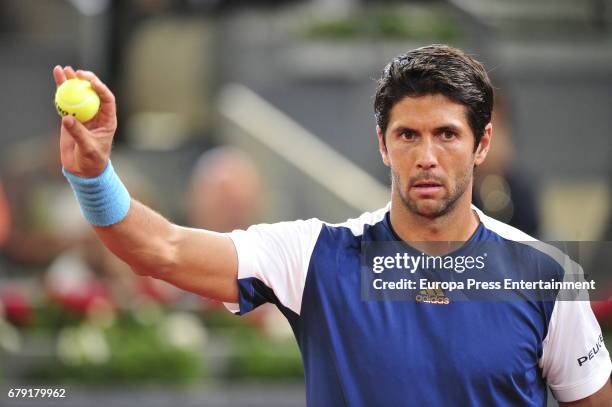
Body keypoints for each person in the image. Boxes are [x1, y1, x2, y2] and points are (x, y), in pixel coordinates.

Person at [53, 45, 611, 406]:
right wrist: (94, 175)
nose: (427, 157)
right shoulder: (312, 255)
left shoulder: (548, 275)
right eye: (407, 135)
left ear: (481, 144)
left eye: (447, 134)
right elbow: (163, 251)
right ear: (383, 144)